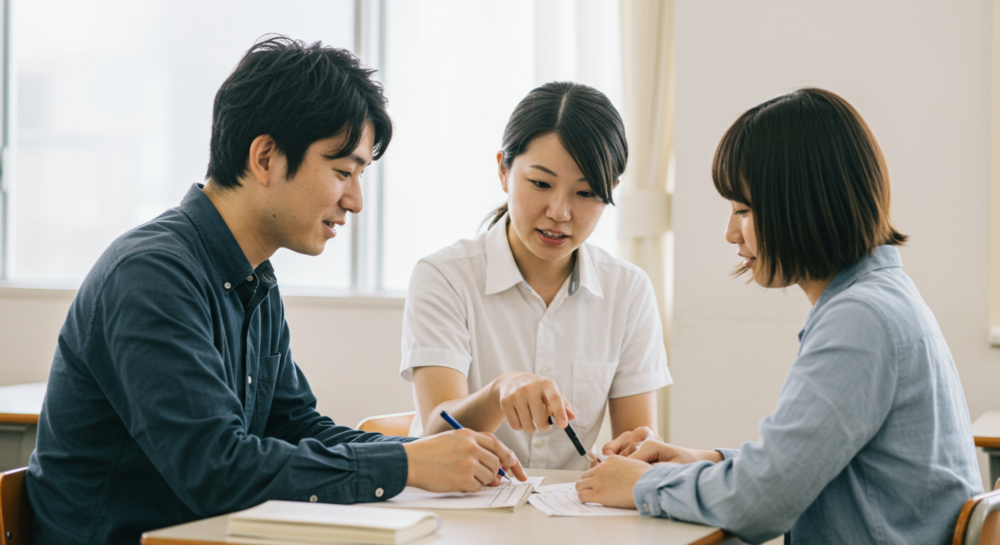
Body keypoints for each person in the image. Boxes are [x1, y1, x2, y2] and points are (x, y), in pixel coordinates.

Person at [26, 36, 526, 545]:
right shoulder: (150, 276)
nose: (354, 200)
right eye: (342, 172)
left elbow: (294, 425)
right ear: (265, 157)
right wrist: (404, 462)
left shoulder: (253, 277)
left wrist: (432, 454)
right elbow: (218, 472)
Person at [576, 88, 983, 544]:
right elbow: (806, 469)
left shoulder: (860, 319)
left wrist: (641, 485)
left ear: (803, 203)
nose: (730, 231)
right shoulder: (883, 296)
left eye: (744, 210)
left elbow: (761, 504)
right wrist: (708, 461)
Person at [400, 82, 672, 471]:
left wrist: (634, 453)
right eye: (541, 184)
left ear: (610, 190)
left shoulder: (628, 290)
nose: (560, 212)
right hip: (463, 510)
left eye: (586, 192)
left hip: (572, 513)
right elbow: (437, 434)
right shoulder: (444, 276)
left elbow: (637, 444)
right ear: (503, 170)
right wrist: (498, 393)